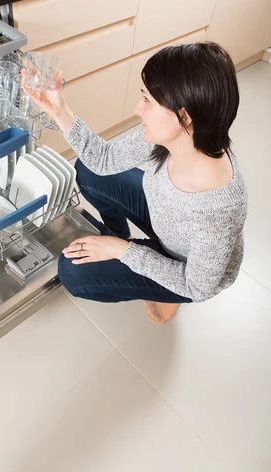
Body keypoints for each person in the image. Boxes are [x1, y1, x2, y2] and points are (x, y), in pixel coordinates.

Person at [21, 42, 248, 325]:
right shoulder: (181, 134)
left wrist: (121, 251)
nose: (137, 109)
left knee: (73, 272)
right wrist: (60, 112)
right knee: (90, 171)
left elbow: (199, 286)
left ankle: (167, 294)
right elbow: (102, 159)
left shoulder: (219, 208)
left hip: (185, 268)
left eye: (148, 101)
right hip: (165, 219)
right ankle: (121, 236)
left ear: (185, 116)